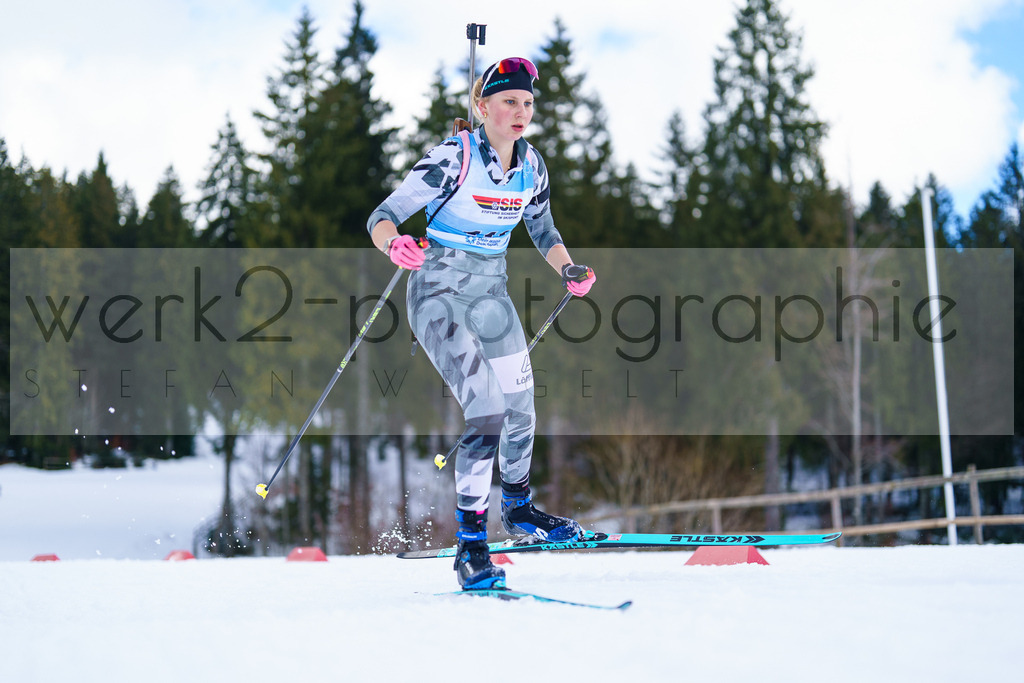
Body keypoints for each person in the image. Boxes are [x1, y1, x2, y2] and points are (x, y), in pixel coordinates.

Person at [367, 57, 595, 590]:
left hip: (491, 296)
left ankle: (517, 509)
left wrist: (569, 268)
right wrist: (393, 243)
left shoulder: (532, 167)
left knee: (521, 405)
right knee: (487, 409)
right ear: (483, 106)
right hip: (439, 294)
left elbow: (543, 227)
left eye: (528, 103)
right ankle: (470, 545)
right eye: (510, 102)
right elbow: (383, 214)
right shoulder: (453, 157)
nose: (521, 112)